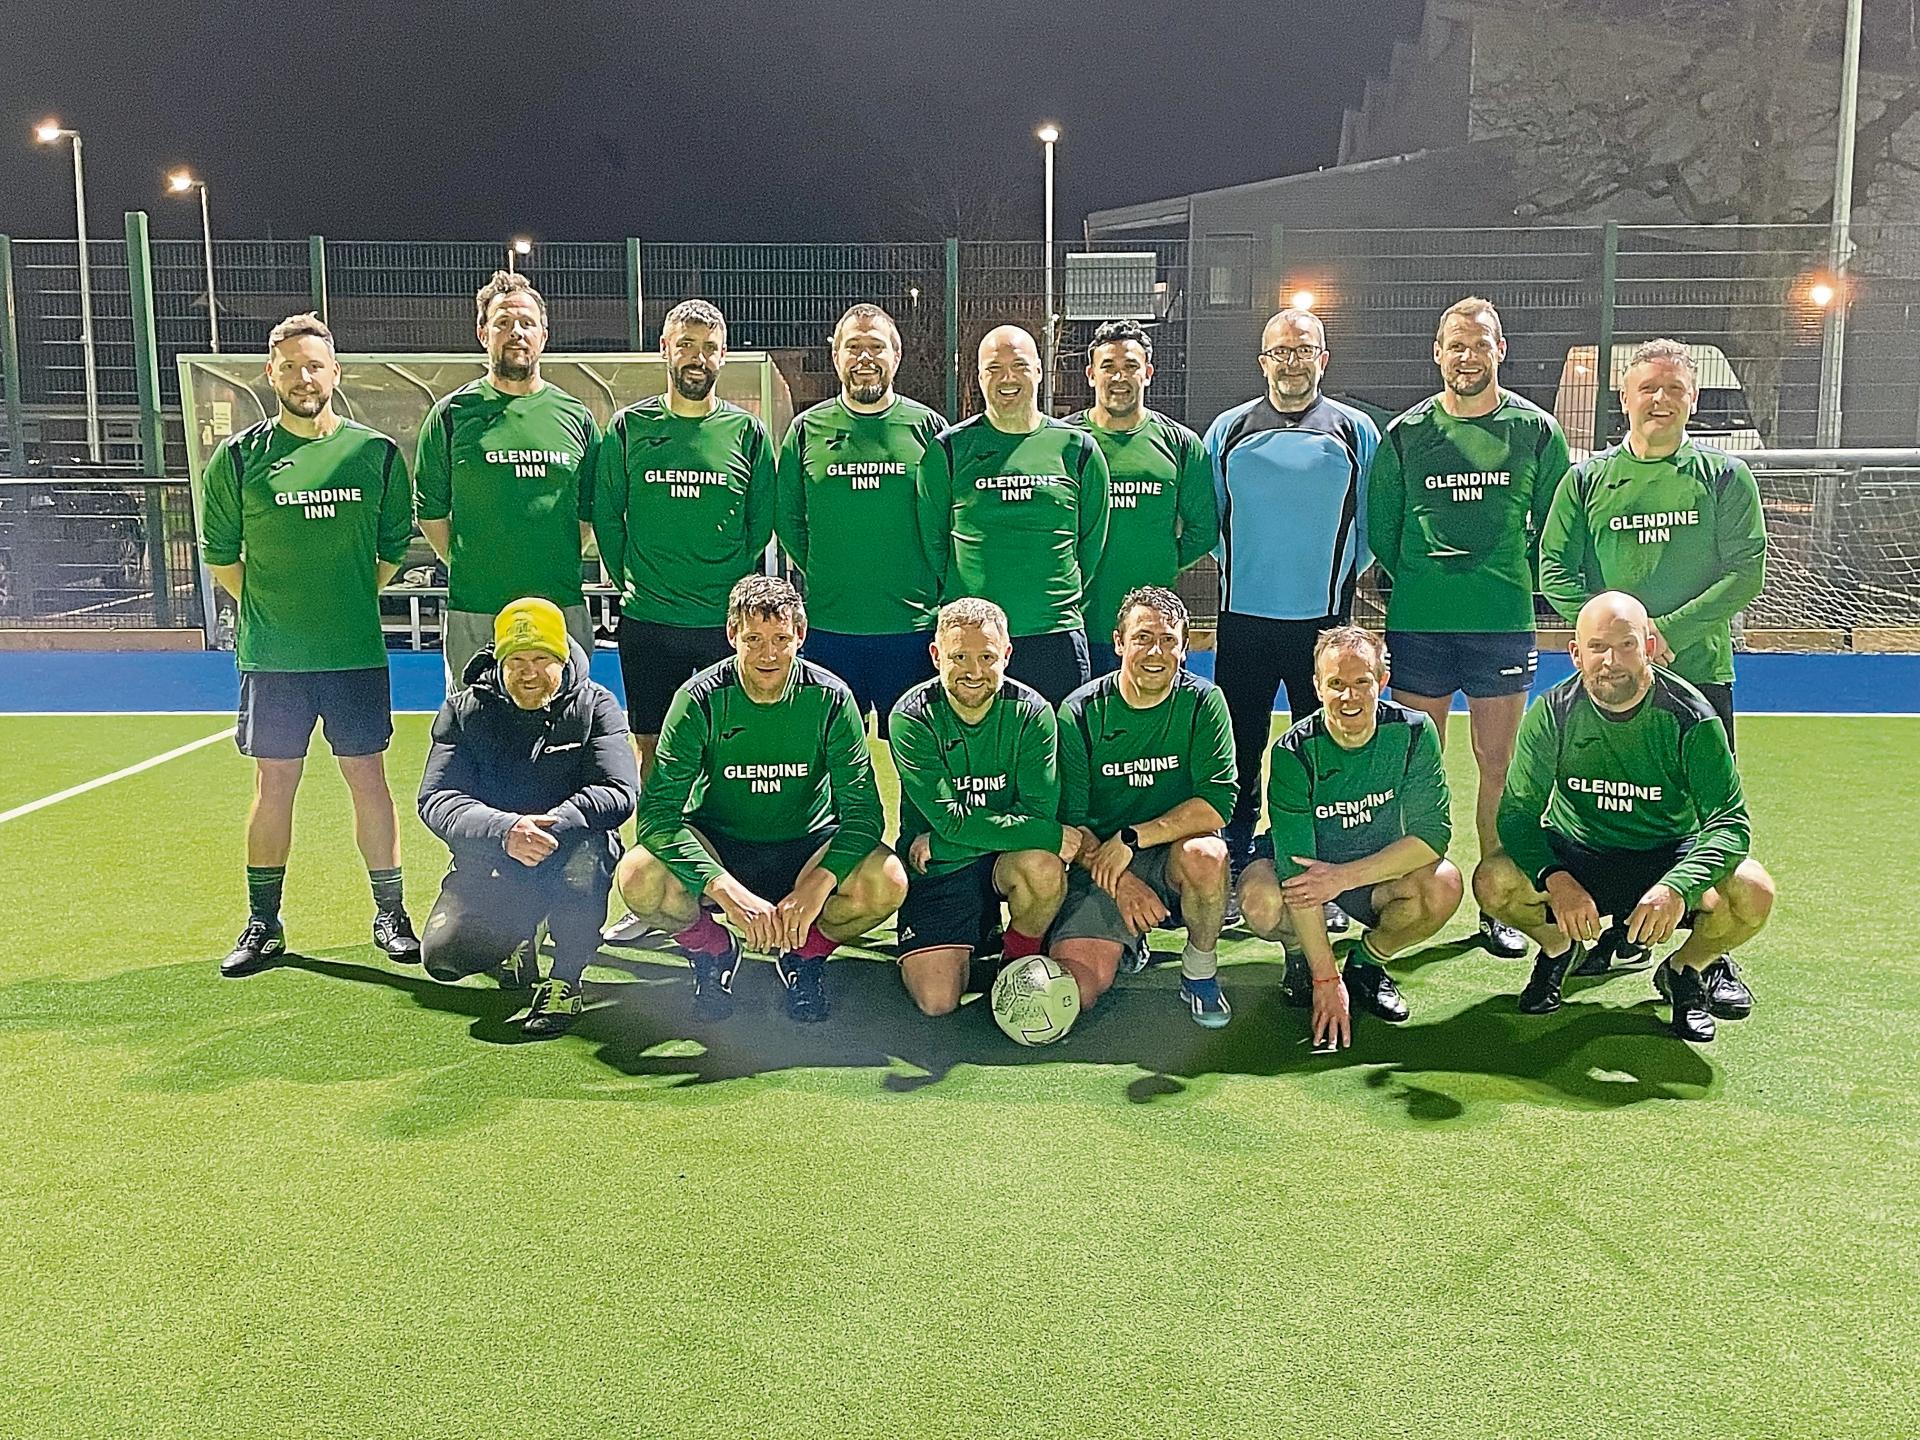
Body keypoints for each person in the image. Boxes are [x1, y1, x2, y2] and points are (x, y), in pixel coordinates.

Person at [199, 312, 420, 977]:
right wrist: (278, 607)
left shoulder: (376, 454)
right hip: (274, 659)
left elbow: (391, 549)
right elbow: (221, 556)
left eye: (314, 366)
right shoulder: (239, 458)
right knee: (274, 785)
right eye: (290, 366)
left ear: (335, 373)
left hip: (354, 654)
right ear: (271, 374)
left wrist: (343, 599)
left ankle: (391, 914)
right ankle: (263, 923)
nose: (303, 378)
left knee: (369, 781)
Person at [1537, 337, 1767, 970]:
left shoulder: (1725, 477)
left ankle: (1705, 959)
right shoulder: (1587, 480)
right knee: (1610, 807)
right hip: (1608, 682)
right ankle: (1616, 928)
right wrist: (1615, 642)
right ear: (1624, 397)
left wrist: (1664, 634)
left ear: (1693, 398)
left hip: (1697, 672)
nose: (1660, 399)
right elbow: (1554, 570)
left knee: (1705, 818)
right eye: (1648, 388)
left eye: (1673, 389)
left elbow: (1745, 571)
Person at [1472, 592, 1774, 1042]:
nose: (1610, 661)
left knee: (1754, 891)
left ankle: (1686, 969)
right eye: (1597, 647)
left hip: (1666, 856)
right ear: (1576, 654)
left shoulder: (1691, 716)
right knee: (1492, 881)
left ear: (1649, 647)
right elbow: (1517, 814)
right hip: (1580, 854)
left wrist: (1678, 887)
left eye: (1626, 645)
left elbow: (1729, 824)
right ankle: (1559, 949)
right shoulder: (1553, 712)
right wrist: (1557, 879)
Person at [1367, 297, 1571, 960]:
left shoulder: (1537, 431)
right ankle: (1410, 891)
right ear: (1437, 353)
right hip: (1420, 623)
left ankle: (1495, 897)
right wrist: (1431, 578)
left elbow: (1557, 527)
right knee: (1416, 765)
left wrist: (1499, 574)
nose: (1467, 356)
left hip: (1501, 622)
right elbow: (1384, 532)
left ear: (1500, 350)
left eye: (1480, 343)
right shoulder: (1405, 434)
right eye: (1456, 345)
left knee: (1498, 763)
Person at [614, 576, 907, 1023]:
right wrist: (725, 890)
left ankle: (804, 954)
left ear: (800, 635)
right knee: (638, 876)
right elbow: (656, 818)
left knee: (888, 881)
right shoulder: (699, 699)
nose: (768, 654)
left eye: (780, 639)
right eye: (753, 639)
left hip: (807, 847)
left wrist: (816, 886)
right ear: (732, 634)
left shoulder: (831, 697)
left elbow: (865, 815)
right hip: (722, 846)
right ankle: (713, 949)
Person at [1204, 308, 1379, 894]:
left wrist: (1332, 578)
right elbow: (1213, 523)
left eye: (1304, 350)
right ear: (1264, 362)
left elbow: (1370, 527)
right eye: (1281, 351)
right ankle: (1234, 856)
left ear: (1323, 358)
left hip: (1324, 627)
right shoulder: (1228, 430)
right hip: (1244, 620)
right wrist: (1250, 571)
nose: (1292, 362)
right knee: (1239, 746)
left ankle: (1316, 864)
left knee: (1321, 750)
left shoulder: (1356, 431)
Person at [416, 598, 637, 1037]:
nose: (528, 673)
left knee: (584, 866)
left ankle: (566, 979)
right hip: (497, 852)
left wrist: (553, 823)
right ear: (499, 662)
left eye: (541, 660)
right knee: (445, 956)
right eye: (516, 661)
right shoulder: (463, 710)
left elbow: (619, 791)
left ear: (563, 659)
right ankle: (521, 932)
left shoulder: (596, 705)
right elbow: (436, 798)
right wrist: (506, 830)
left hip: (572, 845)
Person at [1238, 627, 1464, 1046]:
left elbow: (1432, 835)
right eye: (1336, 684)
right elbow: (1296, 872)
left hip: (1372, 871)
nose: (1349, 696)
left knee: (1443, 884)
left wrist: (1343, 877)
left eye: (1361, 682)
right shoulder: (1294, 751)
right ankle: (1301, 957)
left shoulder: (1414, 731)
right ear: (1317, 687)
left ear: (1382, 680)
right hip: (1306, 868)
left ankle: (1366, 964)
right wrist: (1325, 980)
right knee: (1260, 900)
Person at [592, 298, 776, 777]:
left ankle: (720, 828)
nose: (698, 357)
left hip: (723, 622)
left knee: (729, 748)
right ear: (664, 349)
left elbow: (760, 523)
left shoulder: (748, 432)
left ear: (723, 355)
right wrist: (632, 580)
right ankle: (656, 827)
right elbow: (608, 516)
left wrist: (726, 580)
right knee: (651, 749)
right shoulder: (629, 427)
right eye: (687, 345)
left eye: (709, 347)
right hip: (649, 619)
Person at [1053, 586, 1237, 1025]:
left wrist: (1132, 839)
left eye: (1168, 640)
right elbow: (1071, 823)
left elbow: (1217, 804)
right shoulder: (1079, 712)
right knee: (1077, 992)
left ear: (1184, 647)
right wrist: (1121, 883)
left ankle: (1199, 971)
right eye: (1142, 638)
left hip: (1169, 856)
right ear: (1119, 642)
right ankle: (1127, 944)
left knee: (1208, 853)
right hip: (1100, 862)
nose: (1156, 652)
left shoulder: (1204, 702)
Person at [889, 598, 1079, 1016]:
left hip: (990, 859)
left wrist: (943, 842)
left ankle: (1015, 960)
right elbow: (953, 820)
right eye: (959, 657)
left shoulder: (1033, 712)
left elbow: (1037, 812)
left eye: (987, 657)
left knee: (1043, 868)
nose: (974, 671)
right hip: (941, 870)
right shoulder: (911, 716)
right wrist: (1048, 835)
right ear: (936, 655)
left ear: (1007, 655)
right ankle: (976, 932)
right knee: (937, 1002)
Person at [415, 270, 600, 683]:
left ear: (544, 335)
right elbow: (430, 513)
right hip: (477, 609)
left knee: (564, 719)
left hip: (560, 606)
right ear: (483, 333)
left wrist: (551, 559)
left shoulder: (577, 418)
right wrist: (473, 564)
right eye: (503, 322)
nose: (516, 332)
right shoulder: (451, 415)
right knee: (474, 720)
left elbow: (588, 514)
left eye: (527, 323)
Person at [917, 325, 1111, 704]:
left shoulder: (1077, 448)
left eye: (1019, 366)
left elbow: (1091, 543)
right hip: (974, 641)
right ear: (979, 377)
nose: (1007, 378)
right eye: (994, 368)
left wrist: (1049, 597)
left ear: (1039, 370)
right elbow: (933, 543)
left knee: (1059, 742)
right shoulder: (949, 450)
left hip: (1054, 632)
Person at [776, 303, 947, 733]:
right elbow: (788, 518)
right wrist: (827, 569)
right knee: (830, 754)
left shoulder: (927, 427)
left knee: (914, 755)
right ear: (836, 356)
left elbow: (947, 519)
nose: (865, 358)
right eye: (853, 347)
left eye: (876, 347)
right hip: (831, 628)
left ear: (896, 355)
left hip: (911, 629)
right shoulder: (806, 429)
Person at [1065, 319, 1216, 672]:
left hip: (1151, 630)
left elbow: (1204, 530)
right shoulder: (1064, 441)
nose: (1119, 377)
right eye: (1108, 366)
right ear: (1091, 375)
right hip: (1076, 624)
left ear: (1148, 373)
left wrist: (1159, 561)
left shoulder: (1180, 443)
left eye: (1130, 366)